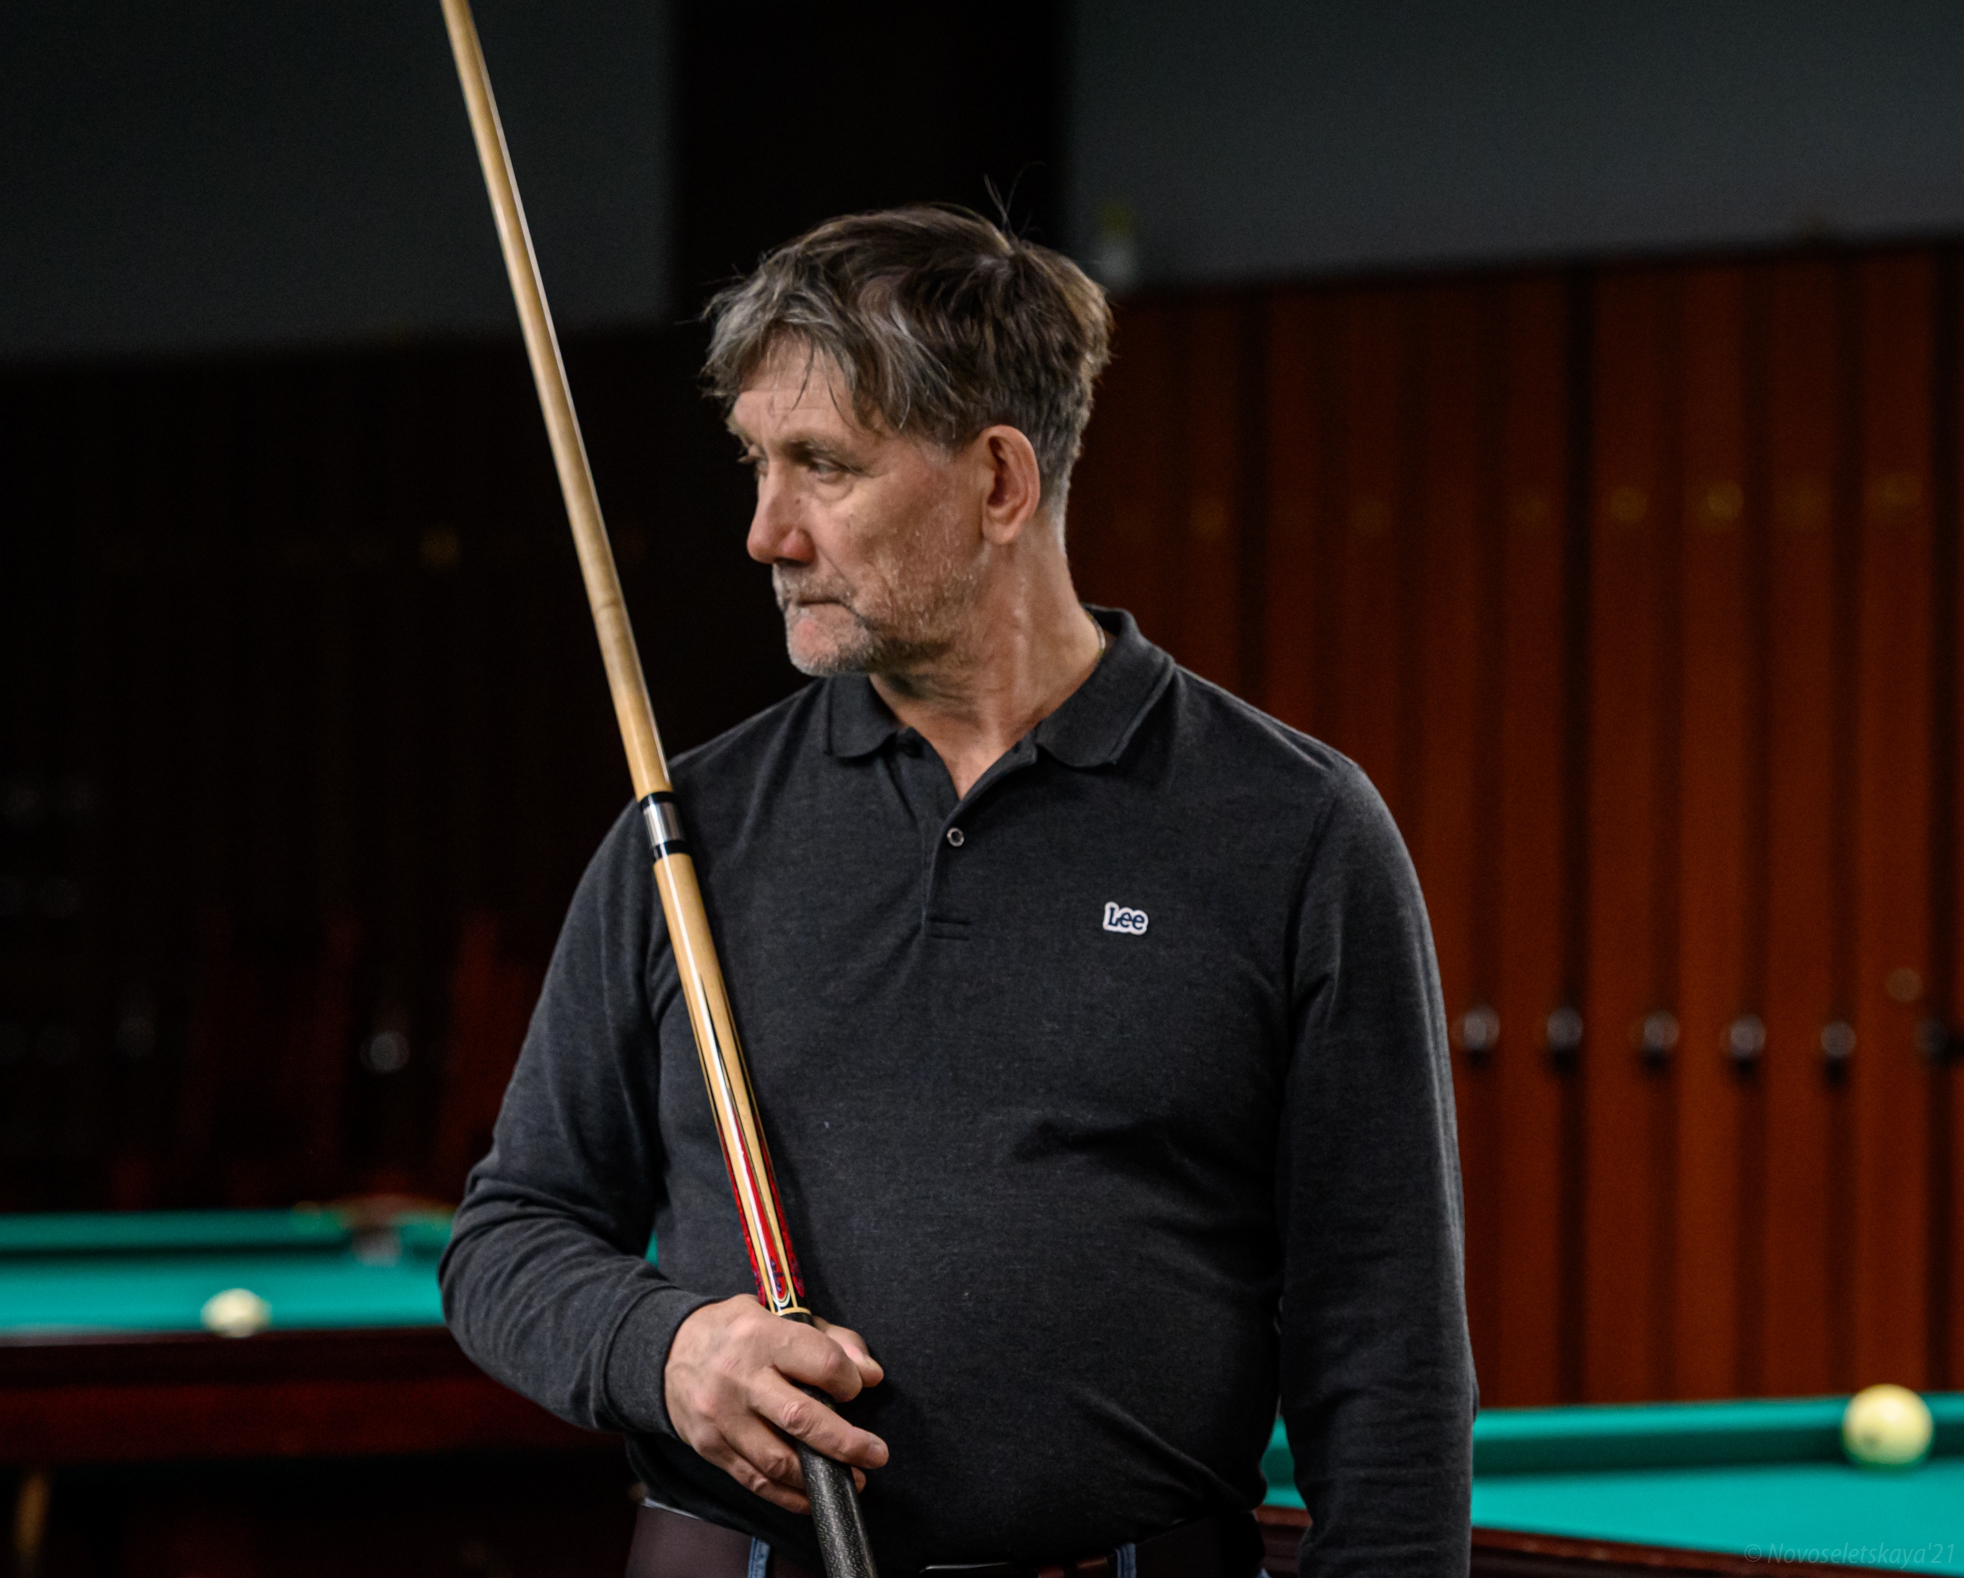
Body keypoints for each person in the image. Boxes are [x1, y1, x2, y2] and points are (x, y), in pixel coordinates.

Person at [440, 206, 1474, 1577]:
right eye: (757, 462)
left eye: (823, 465)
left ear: (998, 482)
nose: (766, 532)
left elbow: (1389, 1352)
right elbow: (507, 1238)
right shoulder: (688, 829)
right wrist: (666, 1346)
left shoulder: (1293, 830)